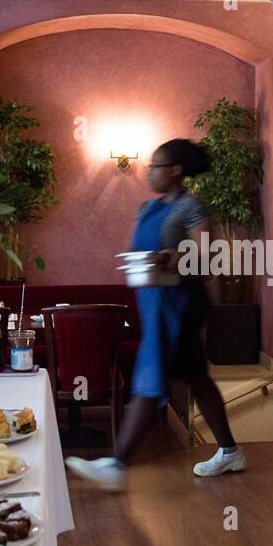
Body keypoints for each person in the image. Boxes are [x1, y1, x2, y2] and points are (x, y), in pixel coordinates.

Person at [65, 139, 244, 491]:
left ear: (176, 170)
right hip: (154, 303)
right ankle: (230, 450)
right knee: (195, 376)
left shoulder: (191, 206)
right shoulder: (147, 209)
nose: (149, 172)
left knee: (152, 374)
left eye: (156, 166)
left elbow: (206, 258)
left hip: (181, 304)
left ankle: (117, 464)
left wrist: (173, 257)